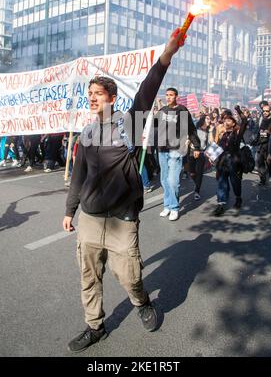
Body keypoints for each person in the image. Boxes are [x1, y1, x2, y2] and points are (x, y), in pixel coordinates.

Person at [62, 28, 186, 353]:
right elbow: (79, 175)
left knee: (129, 276)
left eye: (98, 94)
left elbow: (147, 90)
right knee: (89, 276)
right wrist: (68, 210)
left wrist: (166, 55)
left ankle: (142, 302)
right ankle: (95, 327)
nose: (92, 98)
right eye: (90, 93)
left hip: (122, 219)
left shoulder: (127, 125)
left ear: (112, 98)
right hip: (89, 219)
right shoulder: (87, 132)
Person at [157, 87, 200, 221]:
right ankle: (167, 205)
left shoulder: (182, 110)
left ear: (176, 97)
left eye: (171, 95)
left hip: (176, 149)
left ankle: (175, 207)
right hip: (162, 149)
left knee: (173, 181)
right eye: (167, 95)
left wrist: (197, 146)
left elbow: (191, 129)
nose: (168, 97)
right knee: (164, 180)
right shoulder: (162, 110)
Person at [213, 106, 247, 216]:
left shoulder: (237, 133)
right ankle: (221, 204)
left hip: (233, 162)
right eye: (225, 120)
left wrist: (238, 110)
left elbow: (245, 121)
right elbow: (218, 147)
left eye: (229, 120)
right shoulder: (223, 134)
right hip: (222, 162)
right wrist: (211, 156)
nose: (226, 122)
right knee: (221, 182)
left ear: (233, 123)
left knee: (235, 182)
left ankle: (238, 198)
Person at [188, 114, 214, 200]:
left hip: (201, 153)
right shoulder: (196, 128)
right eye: (207, 118)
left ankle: (197, 191)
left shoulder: (208, 131)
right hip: (192, 152)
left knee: (199, 173)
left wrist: (210, 131)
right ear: (202, 119)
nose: (209, 120)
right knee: (192, 173)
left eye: (210, 119)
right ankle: (197, 184)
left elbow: (211, 142)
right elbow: (190, 138)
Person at [252, 104, 271, 185]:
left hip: (269, 145)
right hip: (261, 145)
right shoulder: (262, 119)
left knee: (269, 162)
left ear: (270, 111)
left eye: (267, 111)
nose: (265, 112)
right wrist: (255, 140)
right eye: (263, 111)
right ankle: (262, 179)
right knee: (259, 162)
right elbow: (259, 131)